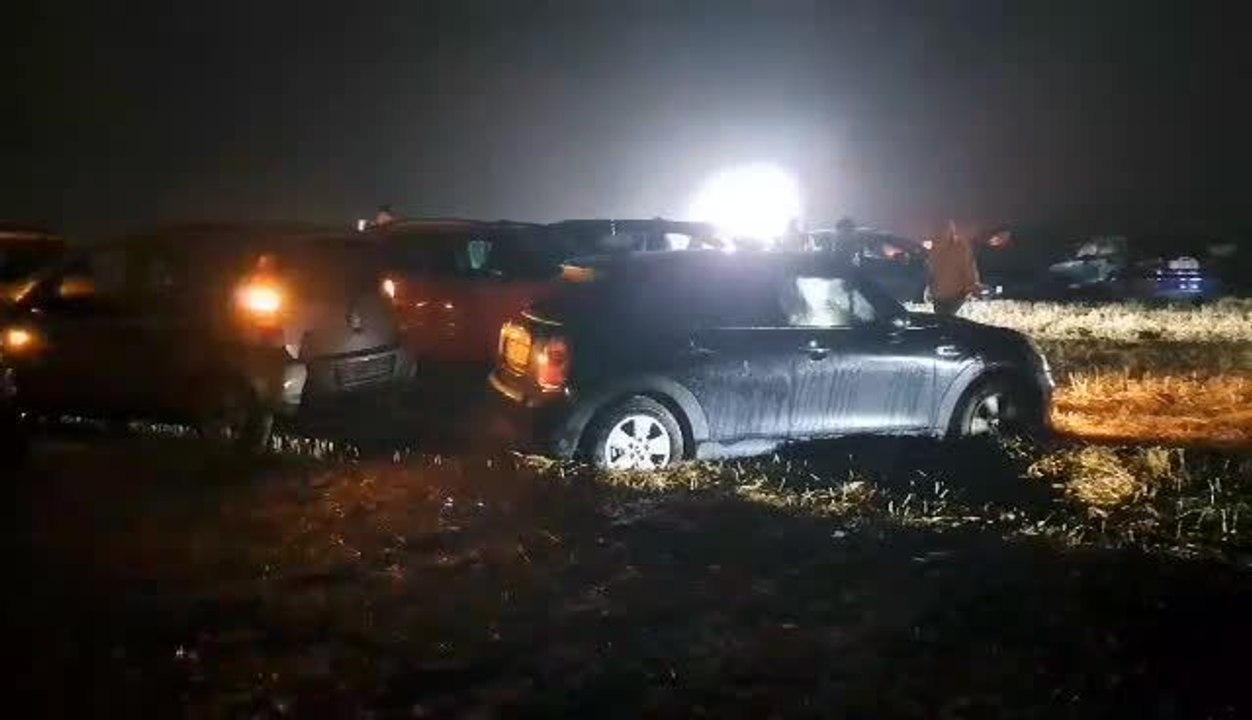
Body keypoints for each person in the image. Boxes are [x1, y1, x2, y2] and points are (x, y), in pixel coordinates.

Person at [928, 220, 981, 315]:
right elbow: (933, 271)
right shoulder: (935, 248)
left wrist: (971, 285)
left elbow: (968, 267)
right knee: (944, 321)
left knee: (950, 321)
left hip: (956, 294)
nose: (942, 234)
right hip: (941, 295)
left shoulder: (960, 246)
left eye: (945, 230)